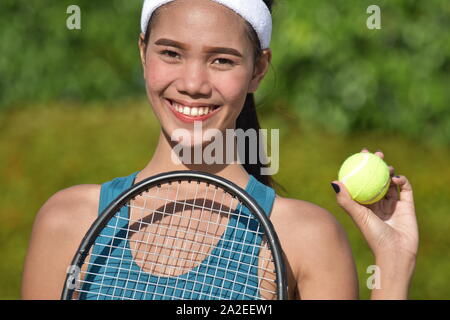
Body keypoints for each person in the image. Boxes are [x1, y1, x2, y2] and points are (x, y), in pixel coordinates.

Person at [21, 0, 418, 300]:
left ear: (258, 69)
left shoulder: (307, 237)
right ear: (143, 52)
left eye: (222, 60)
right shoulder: (66, 221)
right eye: (171, 53)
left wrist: (394, 261)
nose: (193, 83)